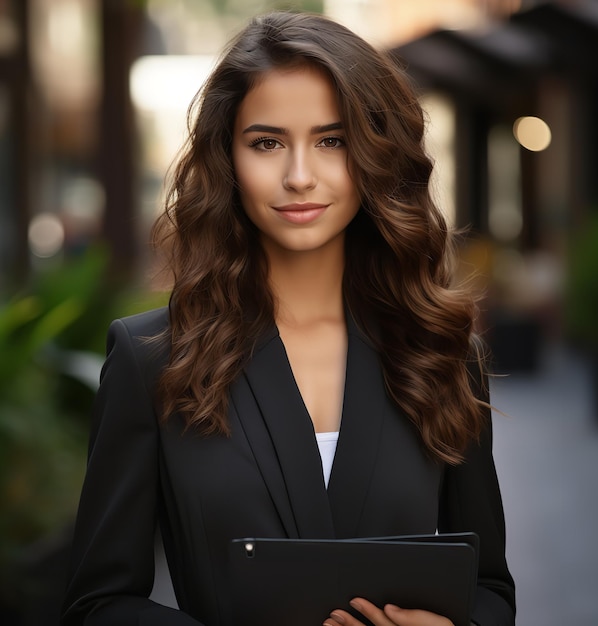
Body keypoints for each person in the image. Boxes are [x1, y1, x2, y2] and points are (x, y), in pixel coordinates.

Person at [61, 10, 515, 626]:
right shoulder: (154, 357)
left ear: (376, 154)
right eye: (267, 143)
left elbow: (490, 591)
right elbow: (96, 604)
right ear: (228, 159)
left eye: (333, 140)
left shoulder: (441, 350)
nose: (300, 176)